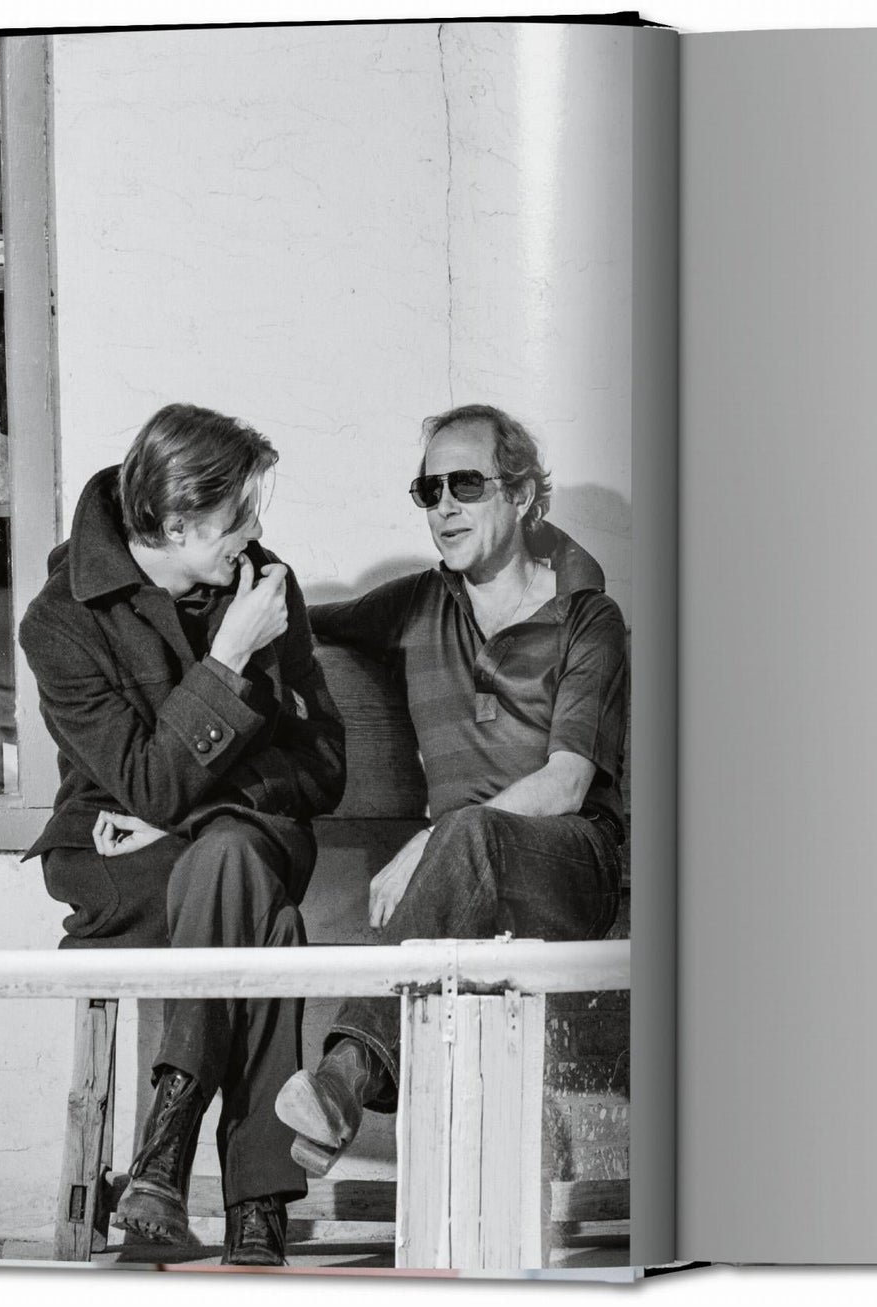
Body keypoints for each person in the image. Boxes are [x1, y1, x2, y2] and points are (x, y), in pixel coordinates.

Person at [19, 403, 345, 1265]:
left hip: (201, 841)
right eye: (238, 515)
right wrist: (227, 660)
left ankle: (164, 1151)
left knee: (229, 856)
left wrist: (188, 809)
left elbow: (324, 767)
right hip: (120, 870)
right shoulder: (59, 620)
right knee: (262, 911)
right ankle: (259, 1203)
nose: (255, 532)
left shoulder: (265, 583)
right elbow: (150, 781)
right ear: (171, 523)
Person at [274, 403, 627, 1174]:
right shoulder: (419, 604)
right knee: (462, 846)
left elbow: (567, 782)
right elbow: (294, 620)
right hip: (461, 883)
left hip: (570, 869)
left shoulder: (586, 617)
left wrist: (430, 840)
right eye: (428, 490)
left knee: (467, 830)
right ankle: (342, 1091)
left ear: (523, 495)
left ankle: (342, 1077)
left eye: (466, 484)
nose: (444, 507)